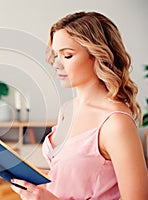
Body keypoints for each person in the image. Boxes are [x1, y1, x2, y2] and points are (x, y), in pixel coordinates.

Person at [11, 11, 148, 199]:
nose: (57, 65)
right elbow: (72, 178)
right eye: (55, 55)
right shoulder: (67, 109)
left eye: (67, 56)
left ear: (98, 55)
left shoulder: (116, 124)